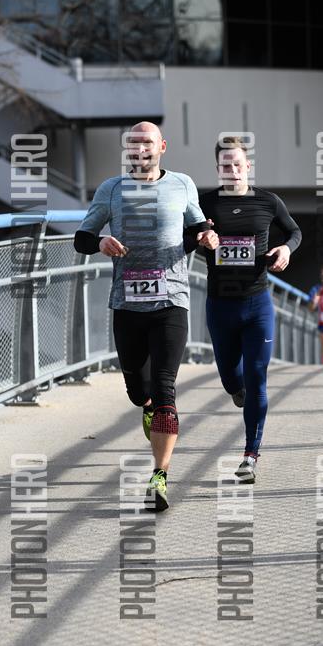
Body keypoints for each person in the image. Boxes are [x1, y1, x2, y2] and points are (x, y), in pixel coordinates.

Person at [74, 121, 218, 510]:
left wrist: (207, 237)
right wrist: (100, 241)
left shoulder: (182, 185)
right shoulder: (111, 189)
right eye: (133, 142)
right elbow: (81, 238)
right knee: (140, 391)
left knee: (166, 387)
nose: (140, 148)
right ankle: (148, 405)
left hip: (172, 300)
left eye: (147, 142)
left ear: (162, 147)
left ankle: (159, 475)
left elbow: (198, 228)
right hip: (127, 304)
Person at [193, 135, 301, 484]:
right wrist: (200, 239)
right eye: (226, 165)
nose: (233, 170)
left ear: (248, 166)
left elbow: (295, 232)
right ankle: (235, 388)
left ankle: (250, 455)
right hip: (220, 306)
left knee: (257, 377)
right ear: (218, 169)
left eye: (238, 164)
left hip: (258, 304)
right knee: (231, 378)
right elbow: (184, 238)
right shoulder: (204, 203)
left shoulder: (268, 201)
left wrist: (285, 250)